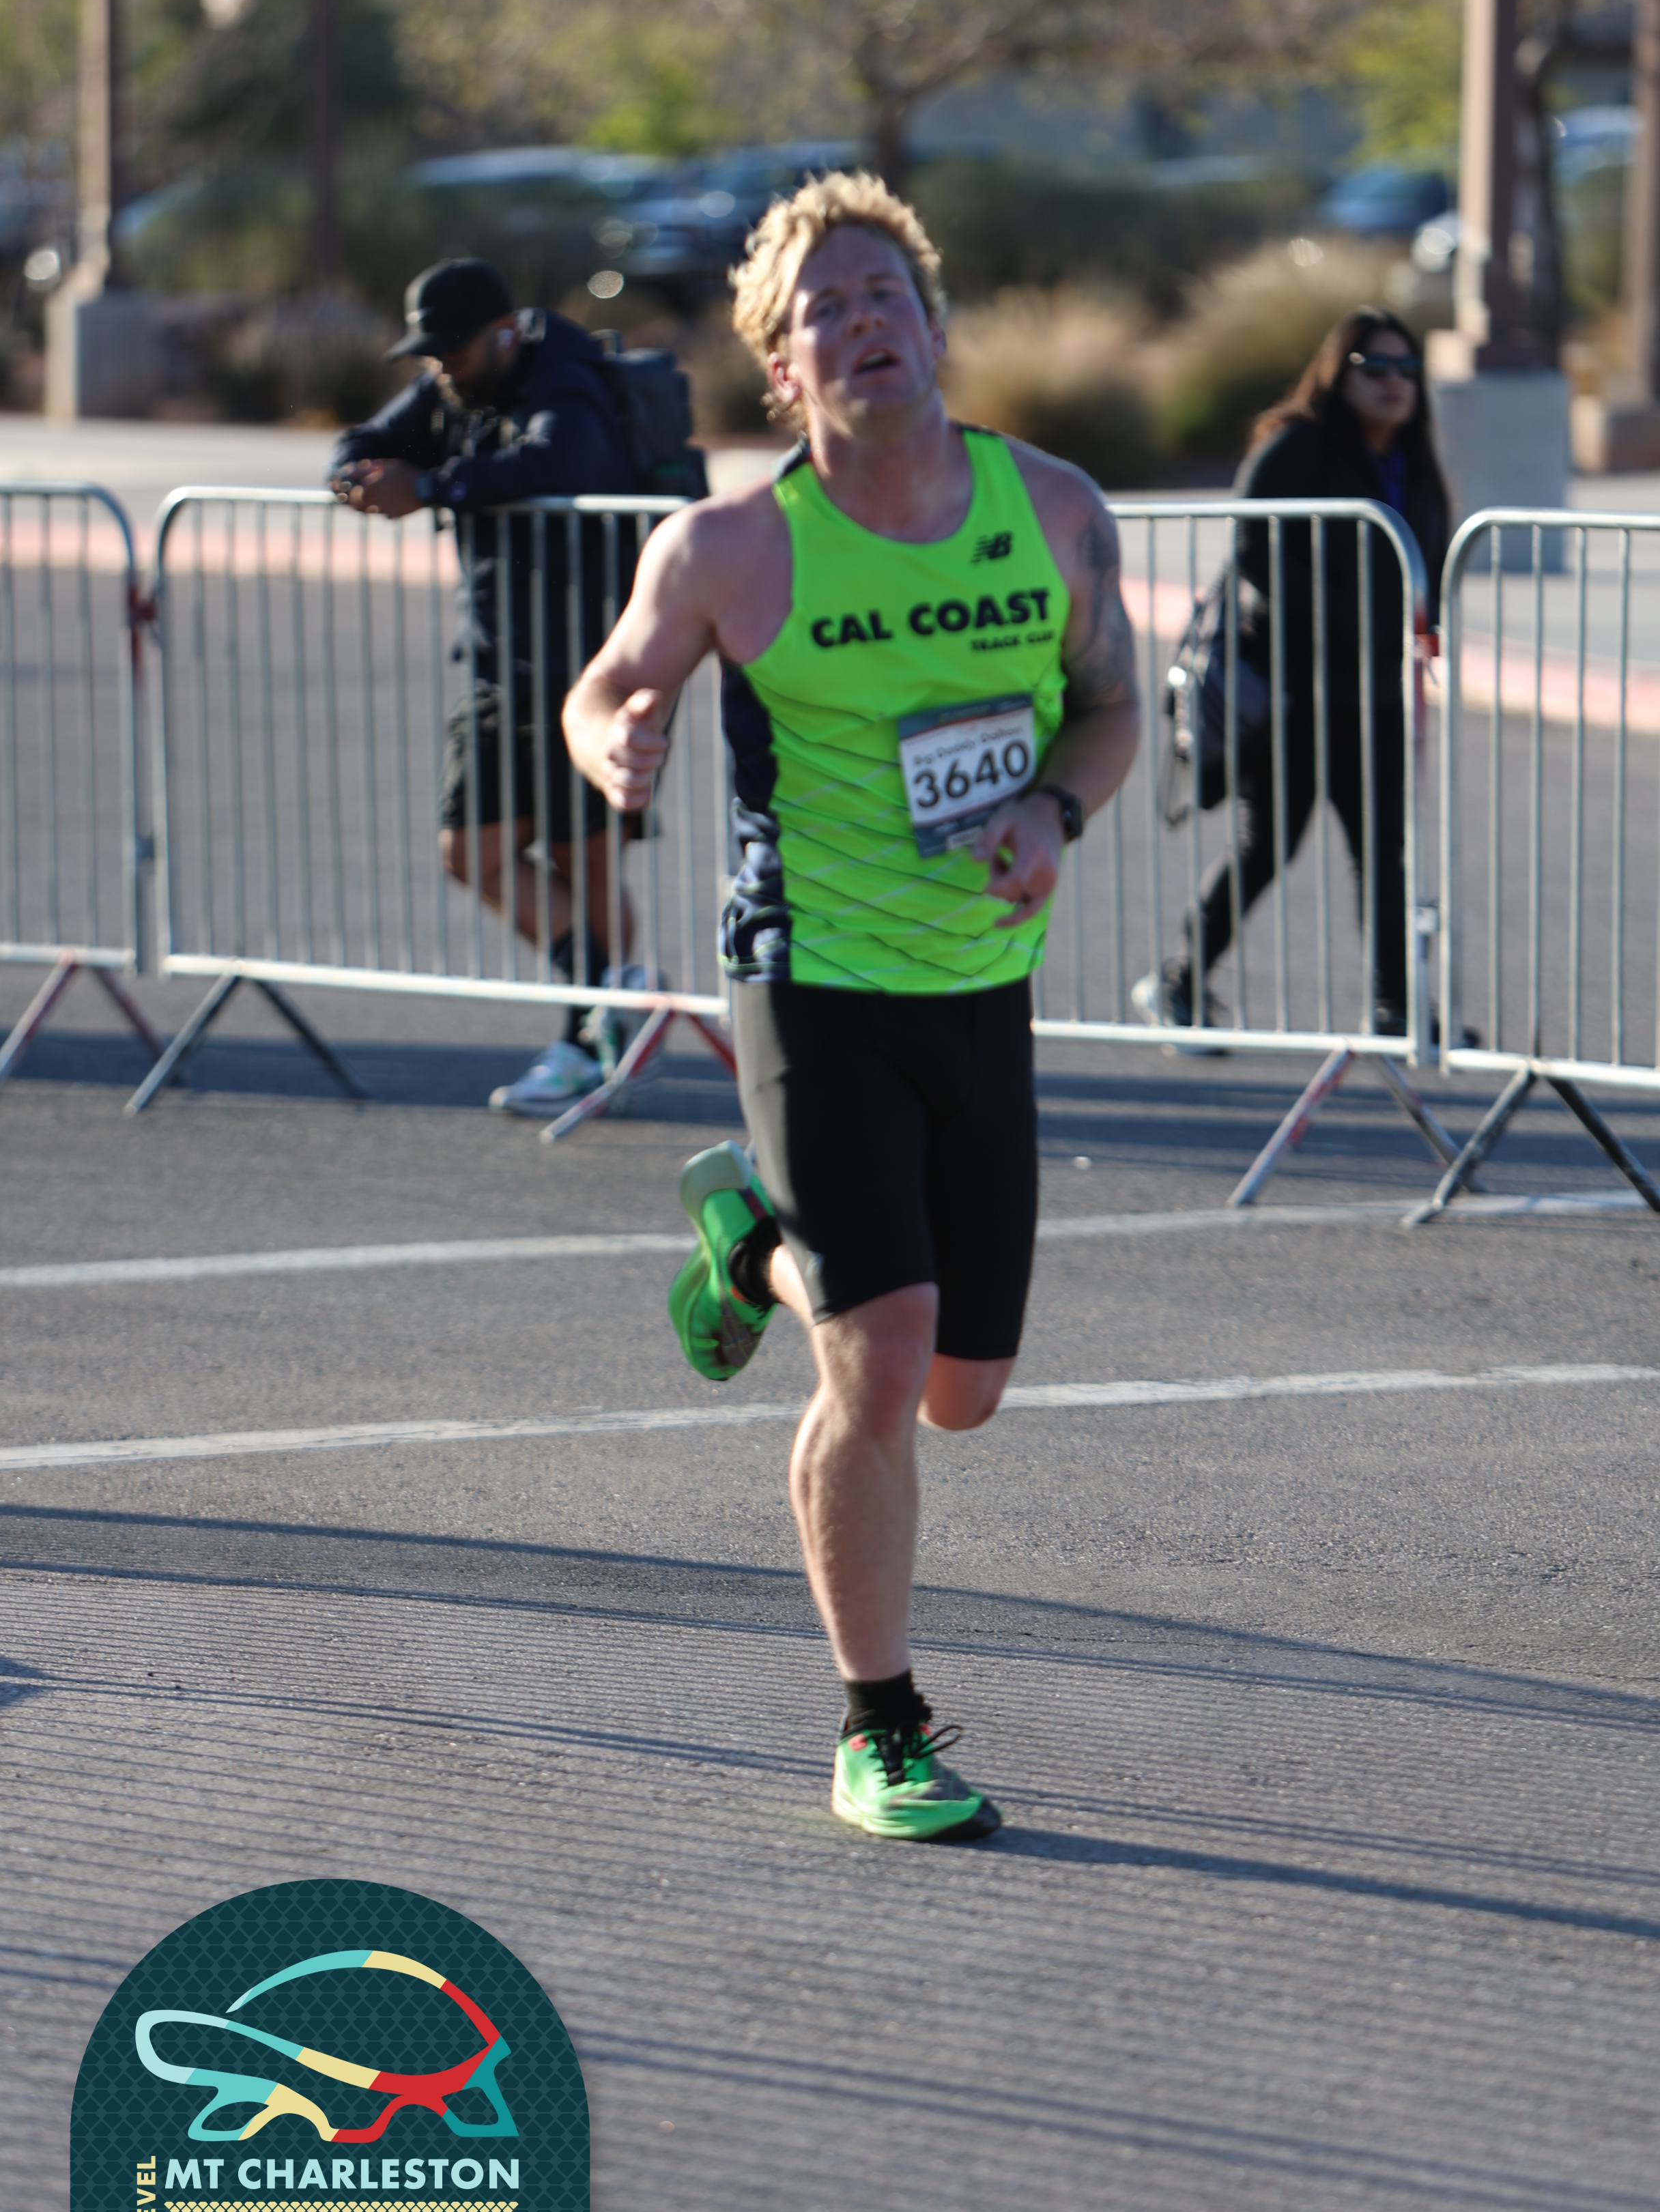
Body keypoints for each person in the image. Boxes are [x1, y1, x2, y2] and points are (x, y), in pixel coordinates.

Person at [563, 173, 1141, 1840]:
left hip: (982, 992)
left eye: (887, 293)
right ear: (784, 369)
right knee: (878, 1367)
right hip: (810, 984)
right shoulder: (732, 550)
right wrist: (614, 742)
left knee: (962, 1389)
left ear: (934, 329)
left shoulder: (1051, 511)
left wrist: (1055, 809)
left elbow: (1106, 708)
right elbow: (604, 689)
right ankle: (879, 1727)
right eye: (826, 308)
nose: (865, 321)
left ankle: (750, 1244)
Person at [331, 257, 644, 1111]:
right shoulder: (451, 386)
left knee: (584, 858)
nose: (441, 366)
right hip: (499, 659)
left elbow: (559, 460)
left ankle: (589, 1038)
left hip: (589, 665)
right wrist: (357, 479)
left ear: (504, 333)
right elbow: (361, 442)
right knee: (469, 850)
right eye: (430, 353)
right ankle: (617, 997)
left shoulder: (565, 377)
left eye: (454, 350)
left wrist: (432, 487)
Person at [1134, 307, 1450, 1041]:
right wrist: (1345, 615)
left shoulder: (1414, 460)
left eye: (1407, 369)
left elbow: (1426, 562)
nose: (1395, 383)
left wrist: (1415, 623)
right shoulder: (1297, 446)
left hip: (1374, 694)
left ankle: (1395, 1009)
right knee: (1266, 848)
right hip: (1291, 692)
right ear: (1338, 372)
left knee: (1384, 854)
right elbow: (1254, 547)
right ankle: (1179, 981)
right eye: (1376, 367)